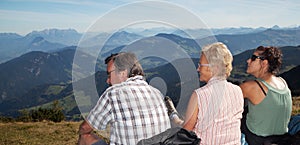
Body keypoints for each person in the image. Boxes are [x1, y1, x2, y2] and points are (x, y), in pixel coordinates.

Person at [78, 52, 171, 145]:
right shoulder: (157, 93)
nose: (108, 80)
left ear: (123, 72)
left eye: (109, 74)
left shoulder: (113, 94)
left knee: (85, 136)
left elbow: (85, 128)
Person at [183, 42, 244, 144]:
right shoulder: (237, 91)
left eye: (200, 65)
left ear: (213, 68)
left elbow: (186, 132)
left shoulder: (199, 95)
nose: (198, 69)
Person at [239, 46, 292, 145]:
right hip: (282, 139)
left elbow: (227, 98)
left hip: (257, 140)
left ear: (264, 63)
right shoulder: (282, 82)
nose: (248, 60)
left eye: (254, 58)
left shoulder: (252, 87)